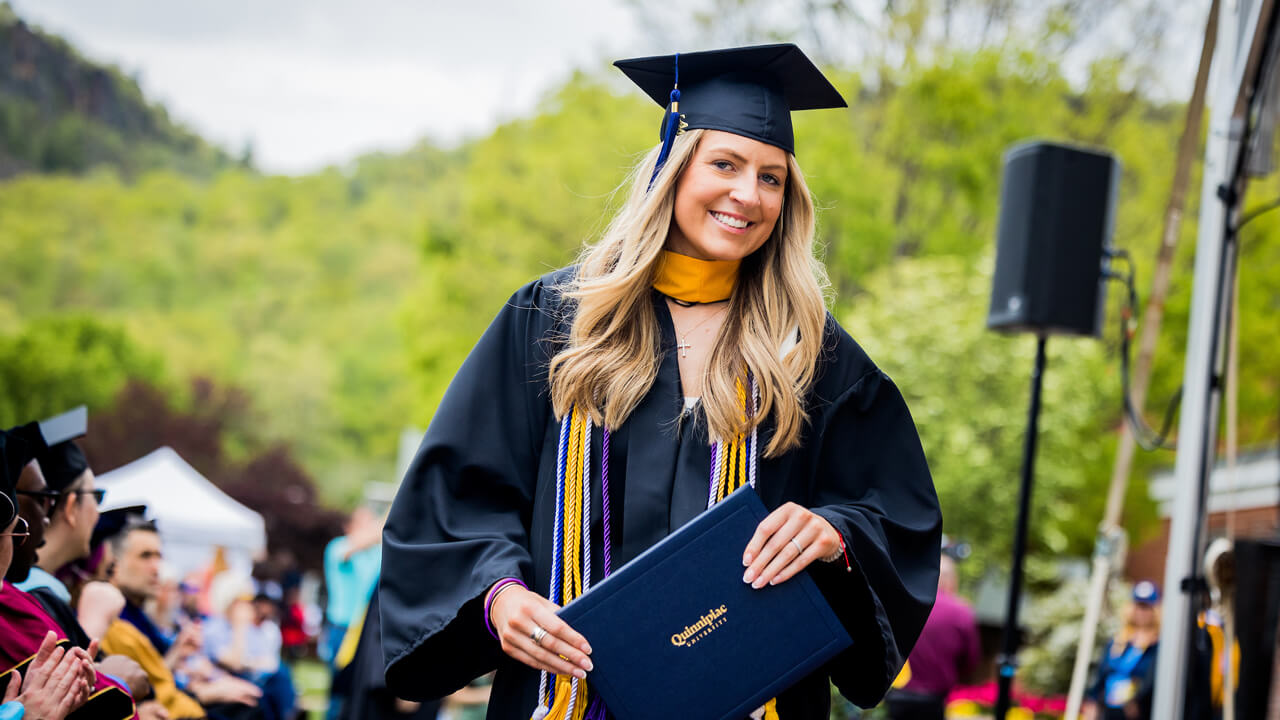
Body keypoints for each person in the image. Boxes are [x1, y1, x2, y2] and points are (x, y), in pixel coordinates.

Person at [380, 44, 942, 720]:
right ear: (673, 168)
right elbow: (457, 499)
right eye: (725, 165)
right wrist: (500, 596)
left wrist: (834, 533)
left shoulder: (810, 352)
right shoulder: (556, 321)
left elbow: (895, 513)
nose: (748, 194)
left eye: (771, 178)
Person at [100, 517, 265, 720]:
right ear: (114, 563)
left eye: (159, 556)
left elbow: (156, 676)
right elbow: (146, 690)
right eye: (145, 556)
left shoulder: (137, 614)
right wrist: (204, 691)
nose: (156, 567)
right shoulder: (113, 617)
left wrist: (179, 653)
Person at [886, 555, 980, 720]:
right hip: (934, 700)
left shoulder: (904, 603)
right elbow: (970, 661)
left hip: (896, 696)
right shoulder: (961, 612)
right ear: (951, 580)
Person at [1084, 581, 1161, 720]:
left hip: (1138, 712)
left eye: (1147, 608)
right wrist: (1093, 702)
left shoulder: (1157, 646)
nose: (1142, 612)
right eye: (1139, 607)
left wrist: (1137, 699)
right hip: (1109, 709)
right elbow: (1101, 674)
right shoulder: (1118, 641)